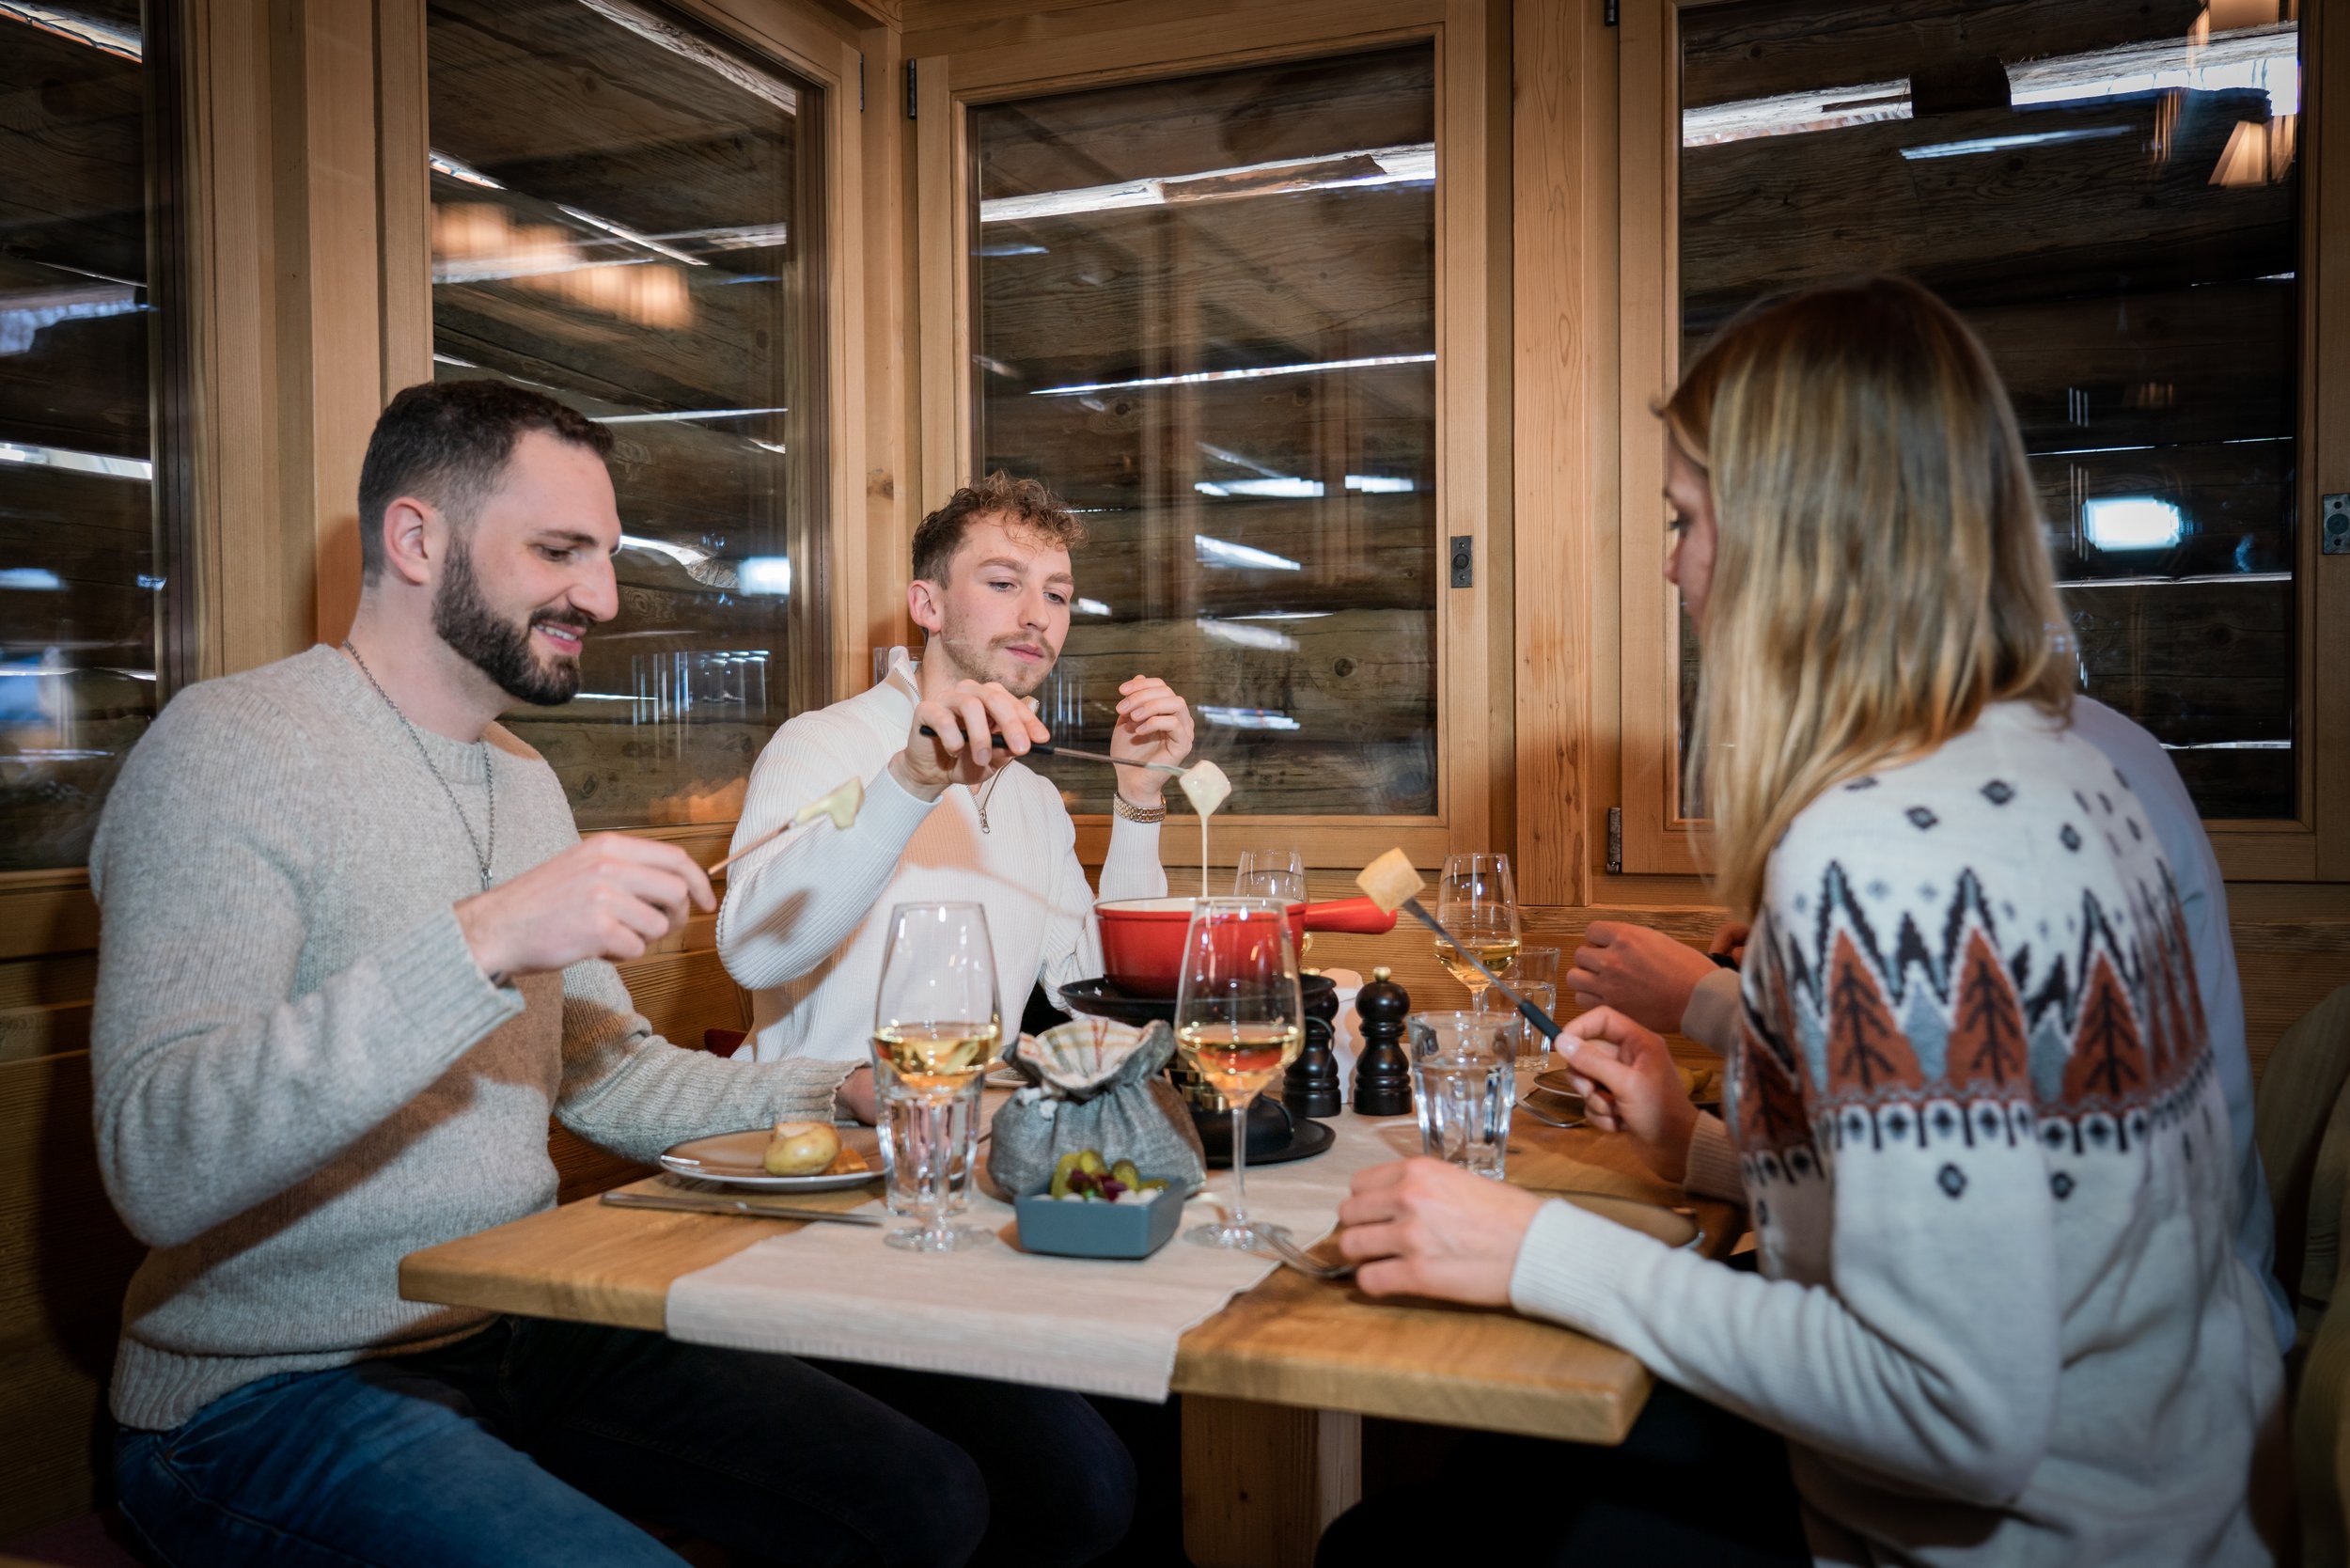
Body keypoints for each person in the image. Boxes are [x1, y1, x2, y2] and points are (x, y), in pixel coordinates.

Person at [90, 381, 1132, 1568]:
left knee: (931, 1496)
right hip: (268, 1390)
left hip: (525, 1320)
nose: (602, 594)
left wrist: (837, 1087)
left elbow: (609, 1077)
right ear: (417, 538)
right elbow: (156, 1163)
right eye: (558, 551)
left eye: (604, 555)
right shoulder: (228, 750)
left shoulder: (521, 777)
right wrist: (477, 941)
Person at [1324, 277, 2284, 1567]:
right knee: (1498, 1473)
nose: (1670, 567)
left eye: (1684, 520)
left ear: (1799, 535)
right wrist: (1707, 1151)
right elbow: (1992, 1193)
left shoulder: (1875, 851)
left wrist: (1535, 1246)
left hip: (1993, 1535)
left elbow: (1955, 1410)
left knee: (1396, 1546)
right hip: (2166, 1500)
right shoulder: (2067, 764)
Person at [1564, 697, 2295, 1356]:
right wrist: (1691, 1141)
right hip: (2162, 1333)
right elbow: (1942, 1188)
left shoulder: (1963, 802)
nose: (1674, 563)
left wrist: (1533, 1251)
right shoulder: (2086, 740)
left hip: (2110, 1392)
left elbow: (1950, 1313)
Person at [715, 472, 1194, 1061]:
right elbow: (754, 955)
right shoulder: (819, 744)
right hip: (823, 1141)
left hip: (976, 1133)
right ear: (928, 604)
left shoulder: (1034, 797)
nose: (1037, 616)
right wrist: (911, 785)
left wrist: (1139, 799)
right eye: (1002, 583)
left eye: (1056, 595)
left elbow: (1100, 994)